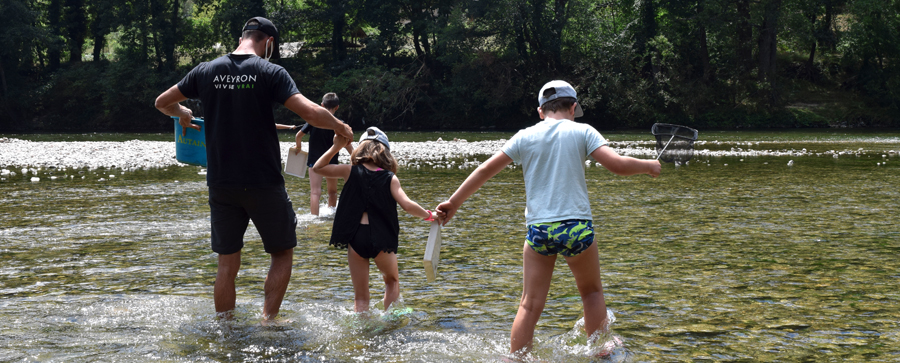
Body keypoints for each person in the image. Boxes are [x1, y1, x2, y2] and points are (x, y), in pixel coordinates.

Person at [435, 80, 661, 357]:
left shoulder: (524, 136)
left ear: (540, 112)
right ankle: (601, 352)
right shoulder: (583, 130)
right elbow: (617, 165)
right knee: (591, 293)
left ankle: (517, 357)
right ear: (573, 107)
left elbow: (484, 171)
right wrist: (649, 166)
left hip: (539, 230)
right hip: (576, 228)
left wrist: (454, 202)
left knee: (529, 304)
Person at [154, 16, 354, 321]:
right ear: (269, 42)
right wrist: (340, 126)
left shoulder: (205, 71)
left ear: (241, 37)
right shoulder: (270, 71)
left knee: (226, 263)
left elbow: (161, 102)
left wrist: (182, 112)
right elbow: (310, 113)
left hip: (221, 182)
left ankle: (226, 330)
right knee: (282, 253)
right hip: (263, 182)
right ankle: (267, 321)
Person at [312, 127, 436, 313]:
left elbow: (317, 168)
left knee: (361, 298)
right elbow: (407, 205)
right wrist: (429, 215)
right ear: (386, 152)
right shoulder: (389, 178)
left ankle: (361, 338)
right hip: (381, 238)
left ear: (360, 150)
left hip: (356, 237)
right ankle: (388, 325)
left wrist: (335, 147)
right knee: (391, 281)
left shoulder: (349, 171)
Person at [294, 92, 353, 215]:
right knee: (332, 192)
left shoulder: (313, 120)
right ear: (337, 107)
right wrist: (356, 157)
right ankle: (331, 215)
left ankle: (314, 218)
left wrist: (298, 146)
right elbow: (348, 145)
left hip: (314, 162)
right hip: (331, 162)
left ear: (321, 105)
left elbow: (298, 135)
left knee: (315, 192)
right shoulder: (339, 124)